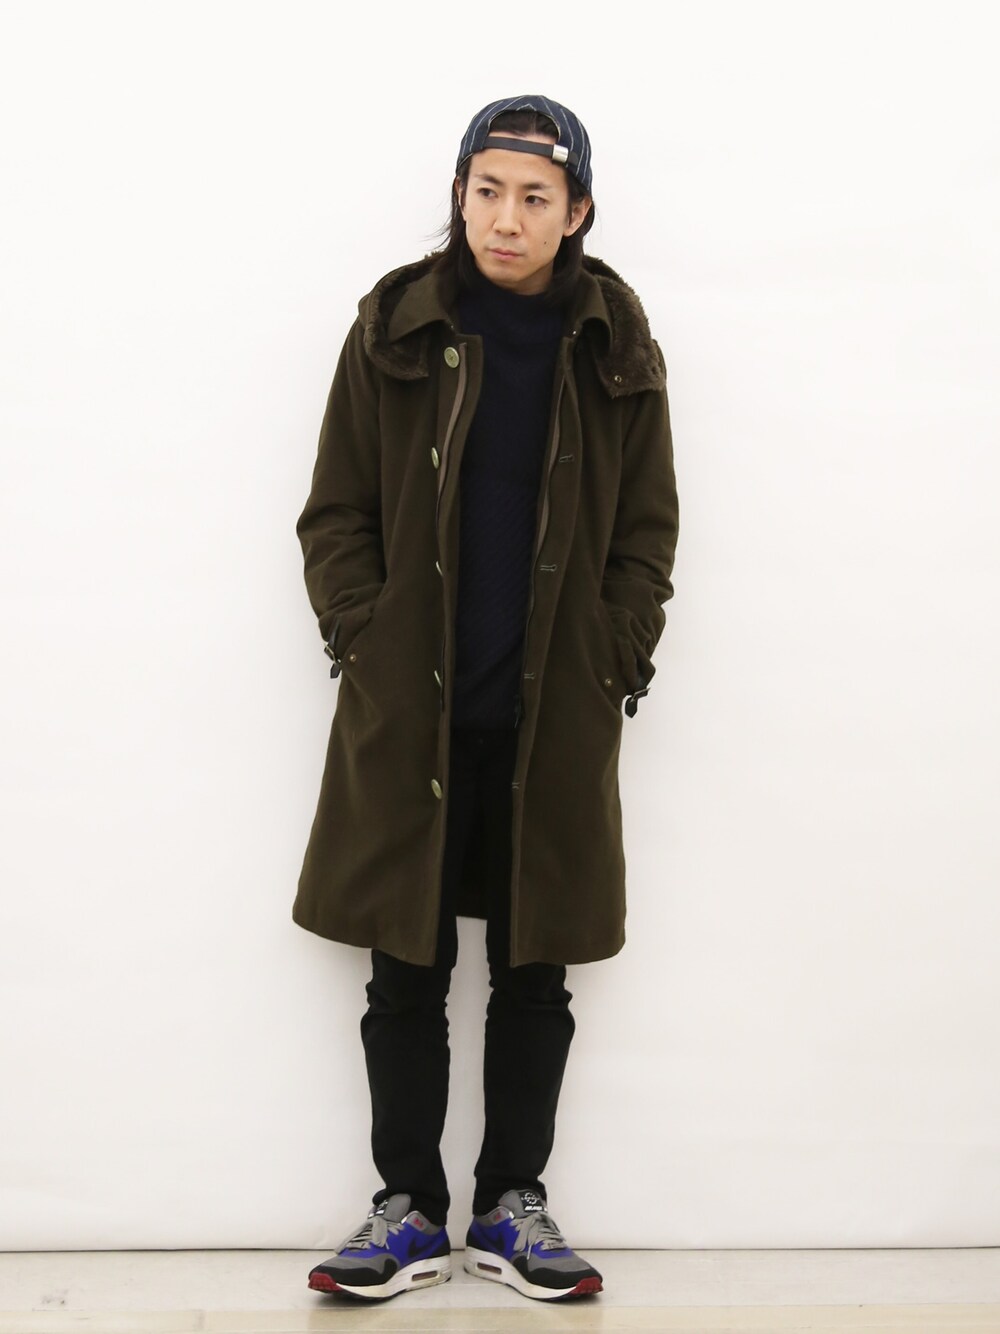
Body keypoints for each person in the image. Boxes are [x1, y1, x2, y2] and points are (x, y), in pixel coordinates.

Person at [294, 94, 679, 1303]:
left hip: (551, 710)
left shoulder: (615, 346)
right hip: (411, 706)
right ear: (460, 195)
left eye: (533, 197)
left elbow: (646, 535)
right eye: (486, 191)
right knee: (402, 968)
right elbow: (336, 511)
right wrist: (363, 634)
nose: (505, 219)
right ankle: (407, 1209)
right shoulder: (396, 329)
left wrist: (614, 654)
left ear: (576, 212)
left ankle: (513, 1203)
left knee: (534, 969)